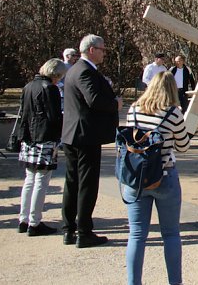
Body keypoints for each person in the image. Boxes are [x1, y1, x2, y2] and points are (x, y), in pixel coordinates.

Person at [123, 72, 191, 285]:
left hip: (136, 177)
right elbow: (183, 146)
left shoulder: (133, 110)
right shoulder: (173, 114)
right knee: (170, 234)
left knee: (136, 235)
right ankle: (175, 282)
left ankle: (133, 282)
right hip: (164, 174)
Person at [61, 33, 121, 248]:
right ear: (92, 50)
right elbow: (94, 100)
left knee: (73, 182)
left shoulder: (75, 70)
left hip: (73, 134)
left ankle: (69, 229)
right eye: (103, 49)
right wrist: (115, 103)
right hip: (85, 136)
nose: (105, 53)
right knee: (86, 184)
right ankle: (84, 232)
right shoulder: (85, 71)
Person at [17, 58, 66, 236]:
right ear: (55, 74)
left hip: (29, 137)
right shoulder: (50, 89)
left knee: (29, 179)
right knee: (41, 181)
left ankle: (24, 219)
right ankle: (35, 221)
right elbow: (54, 116)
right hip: (45, 138)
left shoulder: (28, 86)